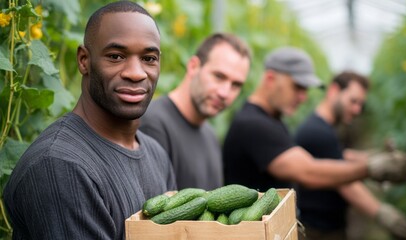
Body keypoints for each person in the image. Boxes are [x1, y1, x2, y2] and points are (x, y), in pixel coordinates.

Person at [3, 2, 176, 239]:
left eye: (148, 58)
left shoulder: (156, 154)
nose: (136, 73)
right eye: (116, 56)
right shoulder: (60, 165)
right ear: (84, 60)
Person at [223, 47, 406, 192]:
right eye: (298, 87)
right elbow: (309, 171)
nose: (303, 97)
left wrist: (370, 157)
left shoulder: (273, 120)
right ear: (271, 79)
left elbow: (319, 157)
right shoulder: (253, 124)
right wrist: (370, 168)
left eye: (305, 90)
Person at [294, 71, 406, 240]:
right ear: (334, 90)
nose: (357, 109)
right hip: (319, 231)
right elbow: (345, 183)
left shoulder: (323, 127)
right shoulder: (318, 132)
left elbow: (339, 156)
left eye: (361, 105)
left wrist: (373, 156)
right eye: (353, 101)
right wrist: (381, 213)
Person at [139, 33, 251, 190]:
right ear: (193, 66)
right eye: (219, 76)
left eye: (236, 85)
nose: (225, 93)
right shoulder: (153, 124)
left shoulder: (210, 136)